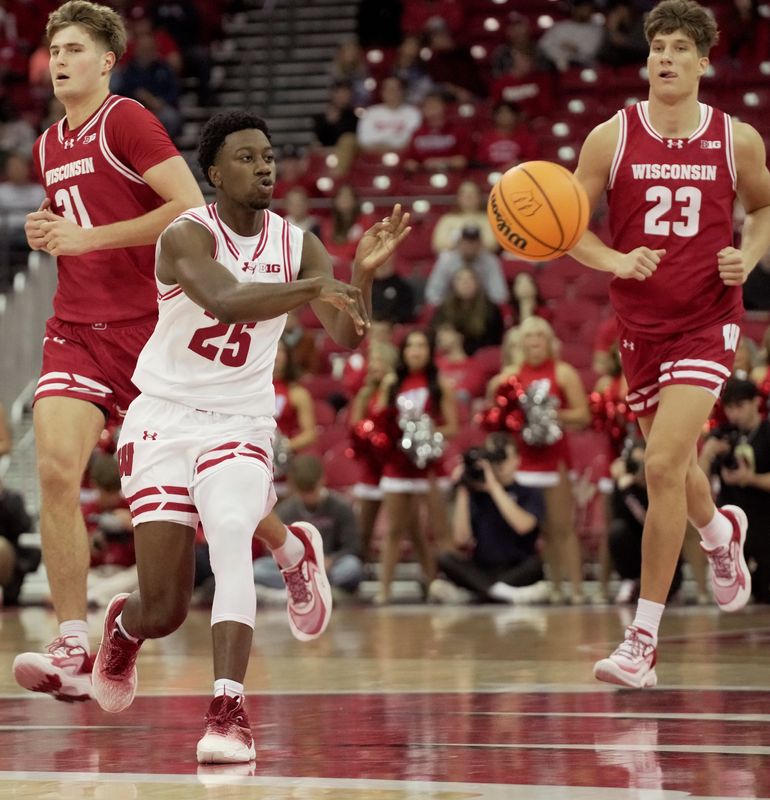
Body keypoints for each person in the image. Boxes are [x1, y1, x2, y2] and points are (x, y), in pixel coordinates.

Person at [88, 110, 410, 762]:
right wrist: (319, 283)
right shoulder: (184, 236)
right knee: (165, 609)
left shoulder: (300, 244)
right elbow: (229, 301)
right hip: (163, 417)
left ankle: (228, 710)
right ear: (213, 173)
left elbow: (346, 333)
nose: (263, 165)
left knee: (233, 532)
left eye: (268, 155)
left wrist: (363, 278)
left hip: (239, 420)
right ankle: (126, 628)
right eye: (246, 157)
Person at [568, 0, 770, 688]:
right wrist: (615, 262)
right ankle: (720, 535)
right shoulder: (610, 137)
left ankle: (642, 641)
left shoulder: (734, 138)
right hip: (640, 327)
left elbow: (764, 206)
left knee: (659, 464)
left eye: (681, 47)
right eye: (658, 45)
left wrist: (751, 252)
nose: (666, 56)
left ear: (705, 61)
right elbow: (572, 227)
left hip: (708, 320)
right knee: (675, 466)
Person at [12, 0, 204, 703]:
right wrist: (49, 230)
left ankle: (285, 545)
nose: (57, 59)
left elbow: (188, 206)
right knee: (57, 470)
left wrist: (87, 238)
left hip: (151, 332)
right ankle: (71, 640)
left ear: (106, 60)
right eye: (52, 49)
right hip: (75, 329)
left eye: (72, 48)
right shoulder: (46, 143)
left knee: (207, 498)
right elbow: (79, 222)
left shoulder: (124, 120)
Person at [486, 316, 589, 604]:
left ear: (548, 341)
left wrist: (550, 416)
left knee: (562, 527)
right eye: (529, 338)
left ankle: (576, 589)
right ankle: (548, 586)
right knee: (537, 530)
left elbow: (582, 415)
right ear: (521, 344)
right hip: (523, 462)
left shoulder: (564, 372)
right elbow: (496, 412)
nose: (534, 343)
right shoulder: (510, 375)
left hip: (554, 460)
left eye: (539, 337)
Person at [429, 433, 548, 605]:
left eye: (503, 457)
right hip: (482, 568)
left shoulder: (529, 492)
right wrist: (463, 489)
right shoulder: (477, 495)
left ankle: (476, 594)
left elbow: (524, 526)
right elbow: (461, 539)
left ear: (517, 460)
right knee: (445, 559)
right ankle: (502, 593)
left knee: (536, 565)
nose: (498, 464)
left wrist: (494, 488)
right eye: (493, 457)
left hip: (517, 567)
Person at [699, 377, 770, 603]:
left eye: (740, 406)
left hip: (764, 519)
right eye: (729, 408)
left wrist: (751, 479)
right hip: (730, 520)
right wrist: (707, 455)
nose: (734, 414)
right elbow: (697, 481)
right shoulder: (723, 433)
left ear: (755, 402)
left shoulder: (767, 432)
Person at [253, 455, 365, 598]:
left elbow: (352, 547)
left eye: (312, 490)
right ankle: (318, 589)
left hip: (328, 567)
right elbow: (273, 549)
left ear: (322, 480)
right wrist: (293, 565)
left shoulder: (341, 507)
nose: (309, 497)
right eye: (304, 492)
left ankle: (299, 590)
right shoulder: (285, 511)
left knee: (352, 567)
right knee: (258, 569)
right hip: (296, 568)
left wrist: (331, 560)